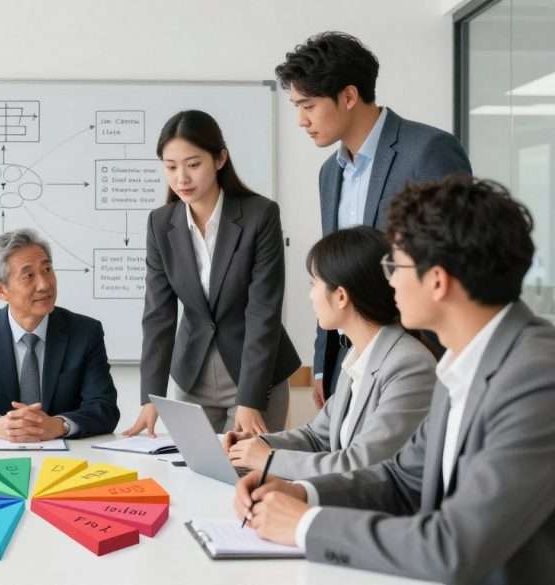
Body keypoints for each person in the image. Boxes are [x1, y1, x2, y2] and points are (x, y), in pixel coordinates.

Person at [234, 177, 555, 585]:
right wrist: (303, 493)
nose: (388, 282)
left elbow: (454, 547)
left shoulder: (536, 378)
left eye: (395, 266)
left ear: (437, 281)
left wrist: (305, 524)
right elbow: (403, 479)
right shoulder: (460, 360)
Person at [275, 31, 472, 406]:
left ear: (348, 96)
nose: (301, 120)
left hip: (417, 360)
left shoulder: (428, 151)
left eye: (308, 105)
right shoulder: (329, 174)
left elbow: (457, 262)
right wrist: (323, 364)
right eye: (295, 106)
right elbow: (332, 271)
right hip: (347, 364)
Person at [124, 110, 300, 438]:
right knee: (192, 476)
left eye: (193, 164)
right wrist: (151, 398)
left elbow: (264, 311)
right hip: (192, 378)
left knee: (246, 477)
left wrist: (250, 398)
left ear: (220, 159)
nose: (181, 179)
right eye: (171, 166)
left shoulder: (260, 215)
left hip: (256, 376)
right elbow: (158, 315)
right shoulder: (160, 224)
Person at [223, 226, 435, 478]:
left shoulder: (409, 365)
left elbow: (361, 465)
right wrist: (259, 445)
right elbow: (317, 437)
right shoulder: (357, 356)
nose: (311, 296)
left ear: (341, 296)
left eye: (314, 284)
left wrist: (268, 459)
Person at [0, 229, 120, 441]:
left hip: (68, 459)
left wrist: (59, 425)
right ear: (0, 290)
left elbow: (104, 409)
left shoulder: (85, 332)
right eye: (29, 276)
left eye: (47, 270)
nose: (44, 284)